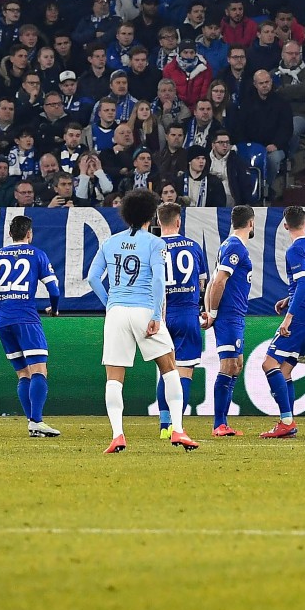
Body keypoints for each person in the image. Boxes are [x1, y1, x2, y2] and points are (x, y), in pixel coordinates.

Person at [88, 189, 198, 453]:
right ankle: (178, 430)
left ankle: (117, 435)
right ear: (151, 215)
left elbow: (93, 278)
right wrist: (156, 315)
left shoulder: (111, 242)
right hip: (143, 310)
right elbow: (158, 281)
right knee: (170, 366)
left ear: (126, 215)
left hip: (116, 312)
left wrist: (110, 304)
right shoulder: (155, 243)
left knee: (114, 377)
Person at [0, 214, 62, 438]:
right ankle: (37, 421)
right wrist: (54, 308)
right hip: (26, 318)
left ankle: (33, 423)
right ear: (29, 234)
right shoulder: (37, 255)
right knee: (39, 371)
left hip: (2, 320)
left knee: (23, 374)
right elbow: (54, 290)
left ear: (10, 234)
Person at [261, 206, 305, 439]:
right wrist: (288, 299)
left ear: (286, 226)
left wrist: (288, 317)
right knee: (285, 369)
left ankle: (286, 421)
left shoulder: (295, 250)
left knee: (269, 364)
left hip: (301, 317)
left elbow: (304, 285)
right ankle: (286, 422)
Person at [156, 203, 209, 440]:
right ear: (179, 222)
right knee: (184, 373)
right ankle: (177, 425)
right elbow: (202, 284)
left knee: (165, 371)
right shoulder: (194, 247)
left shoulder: (153, 247)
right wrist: (204, 309)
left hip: (162, 314)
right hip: (187, 314)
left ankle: (164, 425)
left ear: (159, 222)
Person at [204, 205, 255, 437]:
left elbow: (213, 279)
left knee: (237, 365)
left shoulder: (229, 245)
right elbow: (218, 283)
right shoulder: (235, 246)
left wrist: (208, 309)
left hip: (236, 315)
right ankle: (219, 424)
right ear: (251, 223)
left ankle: (223, 422)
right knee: (228, 366)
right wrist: (213, 313)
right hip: (228, 316)